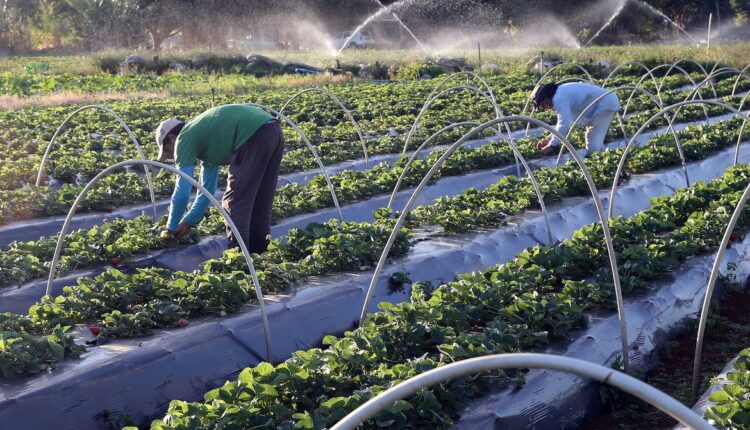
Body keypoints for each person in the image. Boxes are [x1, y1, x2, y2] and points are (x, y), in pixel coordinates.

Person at [155, 104, 284, 254]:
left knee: (234, 204)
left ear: (171, 138)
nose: (171, 155)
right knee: (260, 203)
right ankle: (259, 257)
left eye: (167, 150)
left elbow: (183, 190)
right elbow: (207, 191)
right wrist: (188, 221)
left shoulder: (184, 138)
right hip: (272, 129)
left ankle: (241, 261)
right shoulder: (204, 137)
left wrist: (171, 228)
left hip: (252, 135)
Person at [532, 82, 621, 156]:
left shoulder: (559, 98)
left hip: (605, 103)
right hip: (604, 102)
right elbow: (561, 123)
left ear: (546, 98)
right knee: (594, 137)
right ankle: (601, 157)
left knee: (593, 137)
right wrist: (548, 139)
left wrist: (552, 145)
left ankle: (595, 161)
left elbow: (564, 123)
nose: (546, 108)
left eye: (543, 105)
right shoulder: (560, 93)